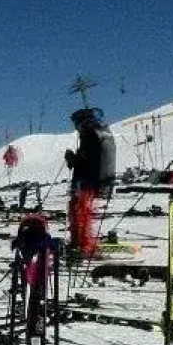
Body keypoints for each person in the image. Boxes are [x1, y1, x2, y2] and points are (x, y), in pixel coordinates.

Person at [64, 106, 116, 259]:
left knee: (81, 212)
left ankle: (83, 246)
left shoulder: (90, 136)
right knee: (79, 210)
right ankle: (78, 242)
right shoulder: (102, 133)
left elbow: (83, 160)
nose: (77, 128)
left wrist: (71, 158)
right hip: (97, 180)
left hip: (87, 180)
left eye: (78, 124)